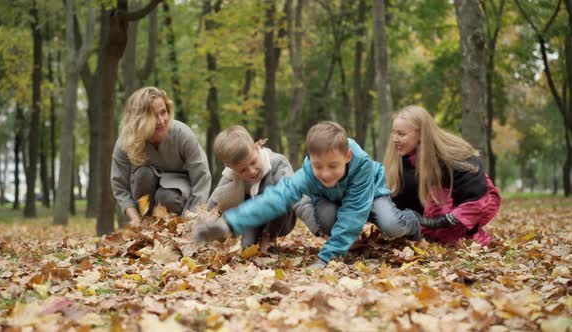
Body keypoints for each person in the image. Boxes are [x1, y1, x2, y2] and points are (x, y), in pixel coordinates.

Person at [193, 121, 421, 269]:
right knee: (328, 218)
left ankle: (413, 221)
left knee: (391, 225)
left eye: (333, 166)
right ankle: (343, 240)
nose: (325, 173)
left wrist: (325, 258)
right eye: (317, 166)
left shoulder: (360, 168)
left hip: (370, 196)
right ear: (310, 159)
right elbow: (276, 197)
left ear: (347, 157)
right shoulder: (311, 172)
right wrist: (229, 224)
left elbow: (353, 215)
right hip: (334, 198)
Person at [382, 105, 501, 246]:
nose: (395, 139)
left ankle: (459, 235)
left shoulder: (454, 157)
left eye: (401, 134)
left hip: (471, 206)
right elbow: (398, 201)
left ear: (421, 134)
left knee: (438, 193)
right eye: (393, 133)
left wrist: (434, 223)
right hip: (425, 223)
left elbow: (477, 198)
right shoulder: (401, 161)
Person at [111, 86, 211, 224]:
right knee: (142, 176)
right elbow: (119, 186)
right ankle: (146, 222)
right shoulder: (126, 142)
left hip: (178, 194)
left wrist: (191, 219)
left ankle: (172, 228)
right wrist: (134, 217)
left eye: (163, 112)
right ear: (139, 120)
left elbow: (202, 179)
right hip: (145, 199)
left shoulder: (182, 135)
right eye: (153, 116)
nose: (161, 121)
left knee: (167, 197)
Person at [206, 125, 315, 250]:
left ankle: (269, 237)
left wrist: (314, 224)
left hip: (280, 217)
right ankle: (249, 237)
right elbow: (216, 198)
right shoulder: (231, 174)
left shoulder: (277, 163)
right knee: (245, 246)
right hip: (254, 218)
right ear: (230, 167)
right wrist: (204, 220)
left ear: (257, 148)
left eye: (253, 162)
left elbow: (295, 194)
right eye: (242, 170)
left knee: (276, 195)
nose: (251, 171)